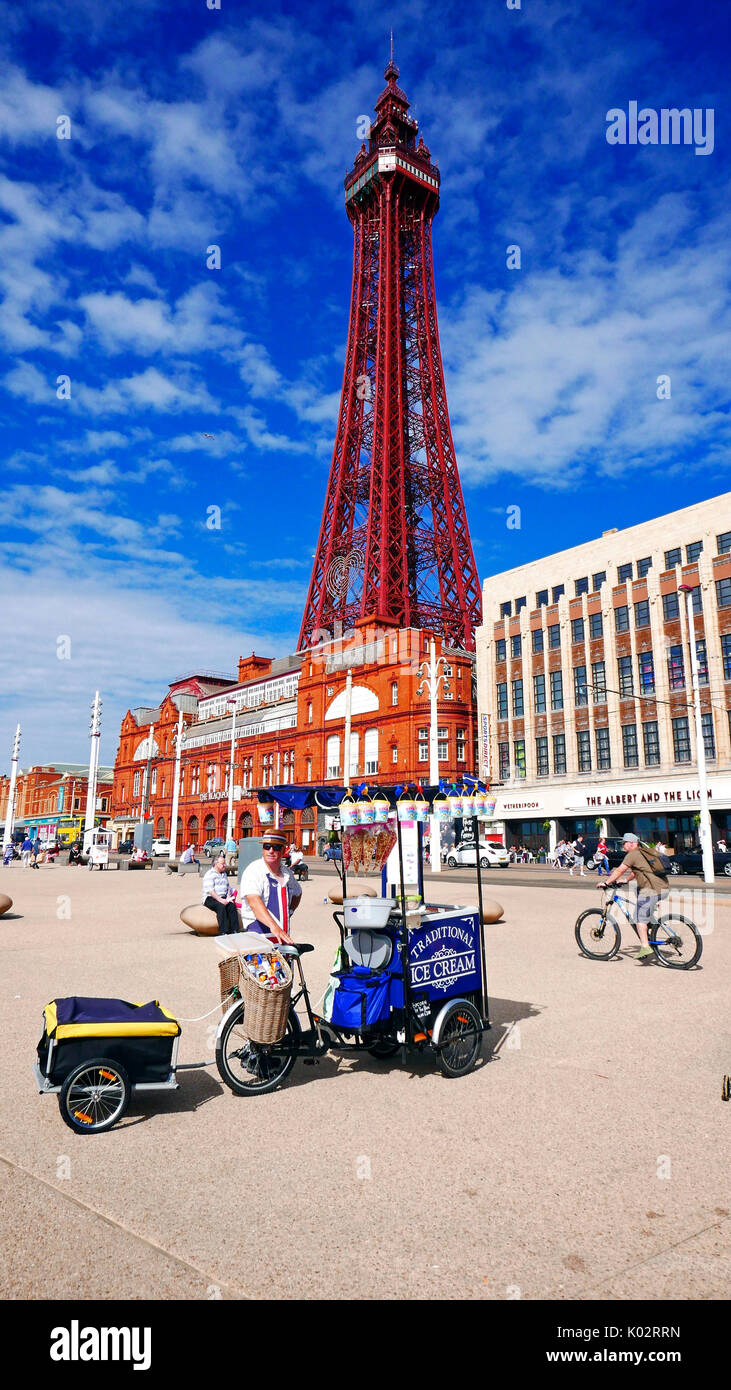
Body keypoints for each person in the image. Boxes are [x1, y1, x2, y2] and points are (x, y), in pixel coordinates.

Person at [598, 831, 668, 960]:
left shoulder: (633, 854)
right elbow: (639, 870)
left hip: (651, 890)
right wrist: (626, 880)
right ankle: (650, 920)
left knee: (638, 918)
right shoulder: (643, 853)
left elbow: (619, 870)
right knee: (637, 890)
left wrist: (606, 882)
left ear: (631, 844)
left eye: (624, 844)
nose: (622, 846)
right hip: (663, 888)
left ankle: (645, 946)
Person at [238, 831, 301, 943]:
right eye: (267, 847)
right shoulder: (254, 870)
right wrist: (274, 926)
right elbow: (254, 901)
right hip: (259, 937)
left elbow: (298, 892)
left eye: (276, 847)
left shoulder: (287, 873)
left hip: (283, 937)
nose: (271, 851)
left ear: (283, 850)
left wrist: (289, 911)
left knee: (283, 960)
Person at [201, 850, 240, 935]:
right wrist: (221, 900)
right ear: (216, 864)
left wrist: (228, 897)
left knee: (232, 907)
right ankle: (223, 931)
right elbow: (211, 891)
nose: (225, 865)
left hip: (223, 896)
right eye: (223, 863)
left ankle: (235, 930)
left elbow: (228, 887)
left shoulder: (224, 874)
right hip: (210, 898)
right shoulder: (210, 874)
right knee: (221, 907)